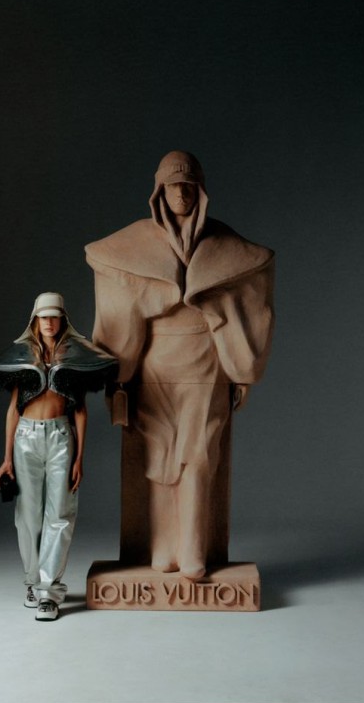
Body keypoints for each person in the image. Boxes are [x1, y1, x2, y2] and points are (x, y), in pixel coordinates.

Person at [86, 151, 275, 580]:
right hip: (154, 365)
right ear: (158, 192)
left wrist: (241, 370)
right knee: (159, 456)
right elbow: (117, 308)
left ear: (201, 192)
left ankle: (193, 551)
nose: (182, 194)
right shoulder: (134, 242)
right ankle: (162, 549)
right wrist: (118, 377)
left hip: (206, 364)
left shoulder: (225, 243)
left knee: (200, 455)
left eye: (189, 186)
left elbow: (250, 294)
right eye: (173, 186)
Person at [0, 292, 118, 621]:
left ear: (62, 319)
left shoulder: (75, 357)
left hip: (61, 437)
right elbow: (13, 410)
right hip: (25, 438)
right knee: (28, 515)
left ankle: (49, 592)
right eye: (43, 316)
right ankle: (32, 582)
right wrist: (6, 458)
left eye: (54, 316)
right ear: (35, 319)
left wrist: (79, 457)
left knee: (60, 513)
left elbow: (80, 410)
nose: (48, 322)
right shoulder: (23, 356)